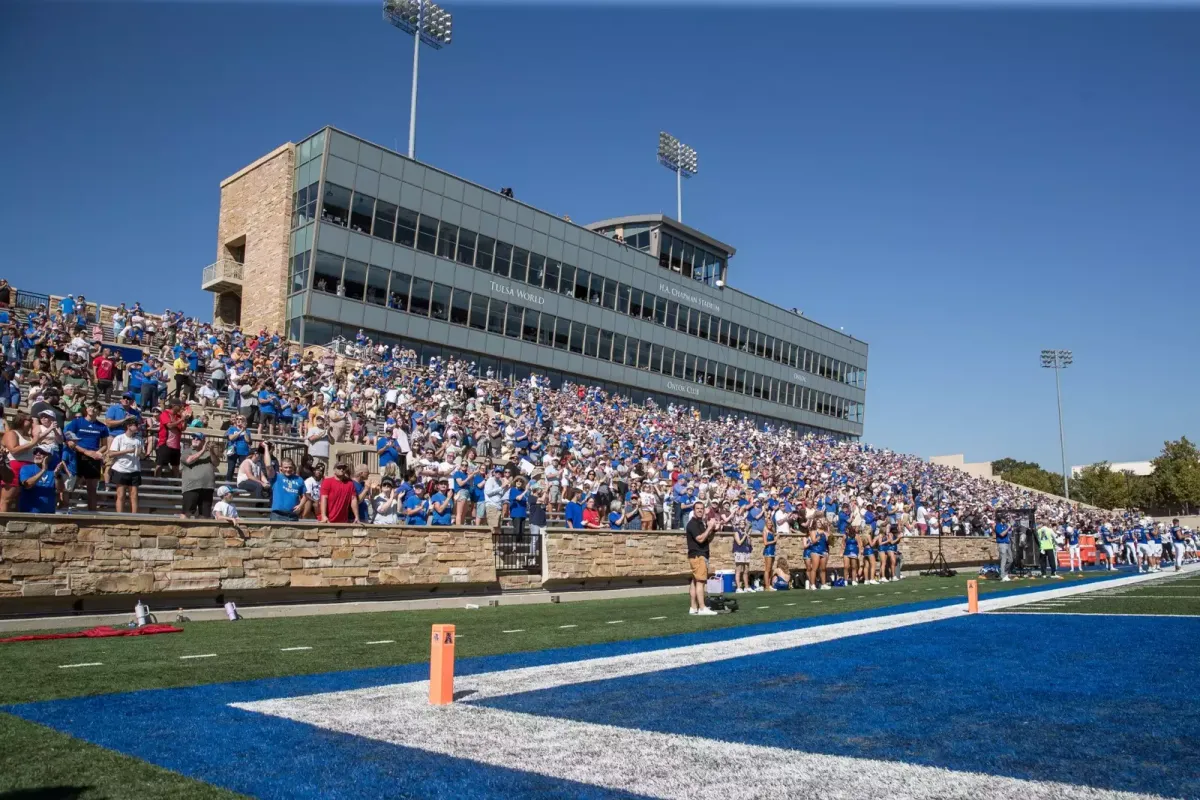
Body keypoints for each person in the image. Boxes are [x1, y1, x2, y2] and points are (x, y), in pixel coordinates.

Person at [63, 403, 108, 512]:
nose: (93, 409)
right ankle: (64, 509)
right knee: (70, 485)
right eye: (91, 407)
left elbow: (105, 445)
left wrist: (96, 453)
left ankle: (92, 513)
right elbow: (66, 436)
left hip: (93, 458)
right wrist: (84, 451)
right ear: (86, 409)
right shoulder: (77, 422)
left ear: (99, 412)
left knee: (92, 489)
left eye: (96, 408)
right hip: (77, 456)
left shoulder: (102, 426)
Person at [686, 501, 718, 616]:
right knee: (700, 582)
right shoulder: (692, 524)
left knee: (695, 582)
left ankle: (693, 607)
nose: (700, 510)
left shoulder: (700, 523)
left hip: (699, 554)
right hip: (698, 556)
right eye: (697, 508)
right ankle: (702, 608)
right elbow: (700, 539)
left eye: (701, 508)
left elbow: (707, 539)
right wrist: (709, 527)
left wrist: (713, 530)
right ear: (694, 510)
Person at [108, 418, 144, 514]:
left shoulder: (139, 440)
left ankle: (134, 516)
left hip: (135, 469)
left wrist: (141, 453)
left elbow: (143, 455)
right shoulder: (119, 438)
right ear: (129, 426)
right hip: (120, 469)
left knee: (134, 495)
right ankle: (120, 516)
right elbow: (111, 454)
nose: (138, 427)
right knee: (121, 495)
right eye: (136, 425)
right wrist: (127, 451)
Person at [263, 445, 306, 522]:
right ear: (281, 468)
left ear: (293, 467)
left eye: (290, 467)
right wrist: (266, 448)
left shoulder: (299, 479)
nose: (288, 469)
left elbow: (305, 496)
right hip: (278, 515)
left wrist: (301, 505)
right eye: (285, 467)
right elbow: (268, 466)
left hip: (293, 516)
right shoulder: (276, 477)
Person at [179, 432, 216, 519]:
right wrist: (203, 451)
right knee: (186, 513)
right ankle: (182, 531)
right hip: (191, 486)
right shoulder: (187, 451)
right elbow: (189, 460)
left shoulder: (208, 453)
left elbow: (216, 463)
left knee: (204, 515)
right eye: (193, 438)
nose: (195, 439)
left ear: (203, 441)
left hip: (207, 487)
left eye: (198, 438)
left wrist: (211, 451)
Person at [19, 446, 63, 514]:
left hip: (48, 513)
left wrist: (57, 476)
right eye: (35, 452)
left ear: (49, 456)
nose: (38, 454)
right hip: (29, 513)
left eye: (42, 452)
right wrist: (43, 470)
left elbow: (60, 489)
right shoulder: (26, 468)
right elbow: (27, 485)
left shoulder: (54, 471)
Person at [732, 517, 753, 593]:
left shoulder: (745, 532)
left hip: (746, 551)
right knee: (739, 569)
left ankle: (747, 587)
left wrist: (749, 537)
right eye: (741, 523)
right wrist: (745, 535)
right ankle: (738, 587)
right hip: (739, 551)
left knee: (746, 569)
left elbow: (749, 543)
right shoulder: (736, 532)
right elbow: (739, 542)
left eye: (743, 523)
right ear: (738, 524)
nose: (742, 524)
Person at [484, 466, 506, 533]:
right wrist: (501, 487)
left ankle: (496, 543)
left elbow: (500, 495)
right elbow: (488, 493)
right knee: (492, 528)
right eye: (497, 472)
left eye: (500, 472)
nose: (498, 473)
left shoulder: (499, 482)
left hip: (498, 507)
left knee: (497, 529)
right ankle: (492, 543)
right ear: (494, 472)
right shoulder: (490, 480)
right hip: (491, 506)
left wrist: (505, 488)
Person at [995, 516, 1013, 582]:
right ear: (1001, 519)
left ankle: (1004, 573)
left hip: (1008, 543)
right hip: (1002, 544)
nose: (1006, 519)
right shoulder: (998, 526)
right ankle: (1003, 576)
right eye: (1005, 518)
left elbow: (1010, 531)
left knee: (1011, 560)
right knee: (1003, 560)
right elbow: (1002, 534)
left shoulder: (1006, 525)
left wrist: (1010, 527)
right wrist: (1008, 528)